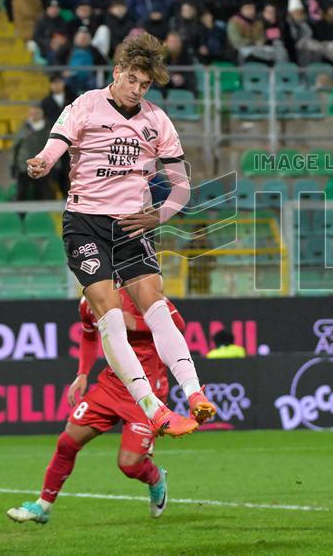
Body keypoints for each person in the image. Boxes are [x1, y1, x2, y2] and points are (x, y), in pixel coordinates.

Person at [26, 33, 212, 438]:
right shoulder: (86, 105)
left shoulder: (156, 120)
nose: (137, 90)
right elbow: (56, 143)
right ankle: (154, 408)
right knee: (110, 316)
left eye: (144, 84)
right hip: (85, 222)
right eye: (132, 80)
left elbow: (181, 186)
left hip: (130, 224)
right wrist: (42, 161)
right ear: (117, 72)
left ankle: (195, 393)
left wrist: (158, 216)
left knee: (155, 305)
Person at [6, 290, 184, 524]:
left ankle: (155, 478)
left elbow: (178, 326)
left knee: (129, 466)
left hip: (146, 392)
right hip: (111, 385)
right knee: (67, 442)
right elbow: (89, 335)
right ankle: (43, 506)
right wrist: (82, 374)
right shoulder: (89, 301)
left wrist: (137, 323)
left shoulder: (145, 294)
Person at [12, 107, 53, 201]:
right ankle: (20, 215)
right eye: (32, 113)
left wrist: (55, 165)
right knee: (21, 193)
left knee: (40, 193)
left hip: (41, 166)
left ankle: (39, 215)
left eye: (36, 113)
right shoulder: (23, 128)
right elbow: (16, 147)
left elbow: (53, 148)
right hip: (24, 165)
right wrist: (13, 164)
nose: (34, 115)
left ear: (41, 114)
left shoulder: (47, 129)